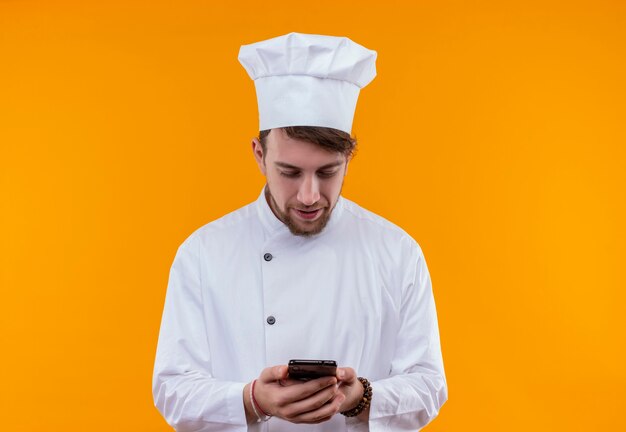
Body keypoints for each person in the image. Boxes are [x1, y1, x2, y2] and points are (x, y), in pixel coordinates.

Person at [152, 32, 447, 432]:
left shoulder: (397, 252)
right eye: (289, 172)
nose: (310, 196)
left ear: (348, 159)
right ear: (259, 155)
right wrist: (252, 399)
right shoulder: (203, 253)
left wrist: (361, 396)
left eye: (328, 172)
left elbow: (429, 386)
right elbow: (172, 390)